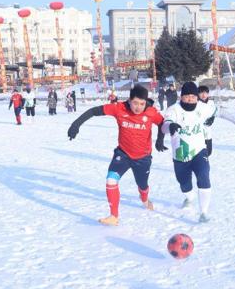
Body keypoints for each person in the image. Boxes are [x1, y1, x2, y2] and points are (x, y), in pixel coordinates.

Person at [67, 85, 165, 226]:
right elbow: (94, 111)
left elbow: (162, 123)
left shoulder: (151, 112)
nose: (138, 107)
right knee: (111, 180)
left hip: (143, 157)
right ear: (129, 100)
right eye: (135, 103)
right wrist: (76, 124)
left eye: (142, 104)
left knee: (142, 186)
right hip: (123, 154)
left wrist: (160, 140)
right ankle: (114, 216)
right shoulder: (119, 108)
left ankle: (144, 198)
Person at [159, 82, 218, 223]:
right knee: (184, 184)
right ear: (181, 96)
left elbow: (217, 111)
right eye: (187, 96)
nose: (190, 99)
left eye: (193, 96)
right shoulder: (173, 109)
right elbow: (164, 127)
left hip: (199, 150)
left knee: (204, 176)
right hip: (181, 153)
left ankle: (203, 213)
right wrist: (170, 126)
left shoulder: (203, 107)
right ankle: (189, 197)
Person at [198, 85, 235, 156]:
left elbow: (222, 113)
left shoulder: (211, 105)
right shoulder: (194, 105)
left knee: (208, 153)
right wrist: (203, 122)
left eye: (205, 92)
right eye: (201, 92)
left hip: (208, 135)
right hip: (196, 136)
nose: (203, 95)